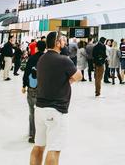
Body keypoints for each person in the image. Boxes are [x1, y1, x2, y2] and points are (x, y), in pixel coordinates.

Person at [30, 32, 82, 165]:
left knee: (39, 146)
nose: (65, 44)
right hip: (56, 110)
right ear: (57, 43)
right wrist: (67, 82)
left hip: (40, 109)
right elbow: (78, 75)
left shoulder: (41, 59)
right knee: (54, 148)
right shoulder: (64, 60)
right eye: (63, 41)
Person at [23, 39, 46, 143]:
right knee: (43, 111)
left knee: (32, 112)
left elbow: (27, 72)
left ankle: (33, 135)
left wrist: (24, 85)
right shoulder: (46, 58)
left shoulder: (32, 58)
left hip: (32, 87)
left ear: (36, 48)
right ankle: (42, 134)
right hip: (44, 88)